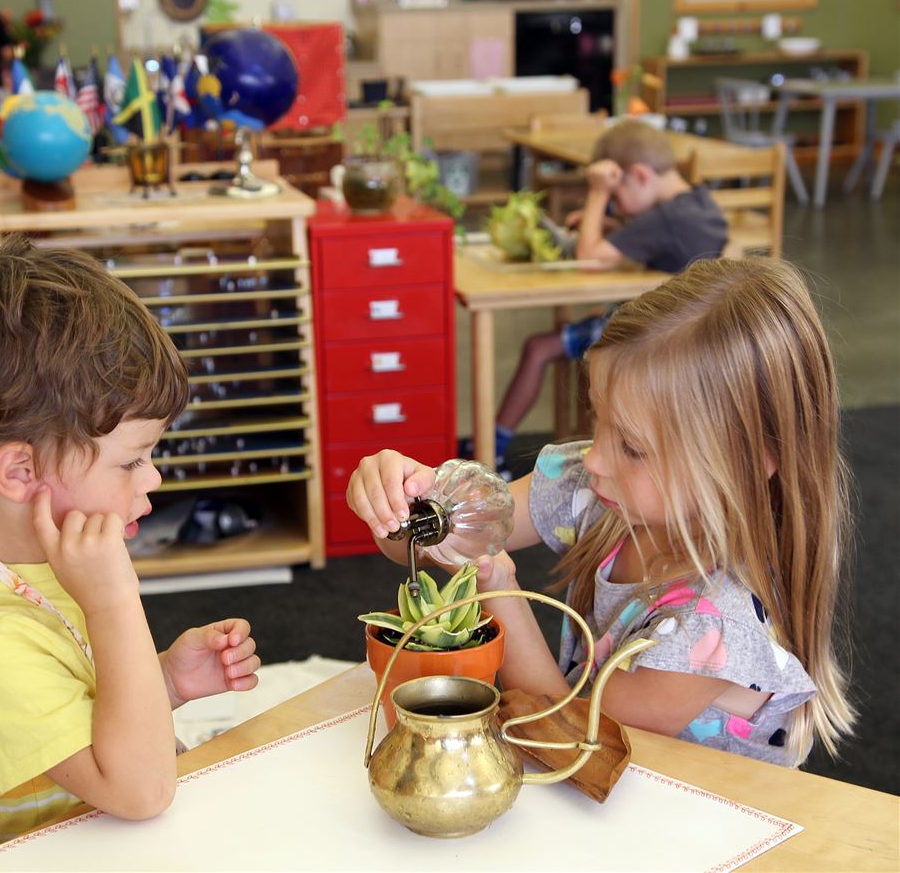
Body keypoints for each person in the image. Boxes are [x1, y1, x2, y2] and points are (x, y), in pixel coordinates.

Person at [347, 257, 855, 768]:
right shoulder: (600, 487)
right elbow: (432, 536)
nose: (594, 458)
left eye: (632, 446)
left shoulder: (717, 624)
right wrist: (400, 502)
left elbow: (574, 747)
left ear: (745, 463)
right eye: (600, 419)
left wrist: (498, 588)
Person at [0, 236, 261, 858]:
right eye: (131, 461)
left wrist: (165, 678)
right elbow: (141, 791)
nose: (153, 479)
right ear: (20, 472)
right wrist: (115, 604)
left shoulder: (57, 561)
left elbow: (87, 721)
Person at [491, 119, 728, 467]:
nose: (614, 204)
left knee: (538, 347)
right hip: (683, 326)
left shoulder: (666, 219)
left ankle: (493, 447)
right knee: (579, 327)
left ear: (642, 176)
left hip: (656, 336)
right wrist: (612, 227)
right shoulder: (697, 204)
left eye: (616, 195)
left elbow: (588, 258)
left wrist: (598, 192)